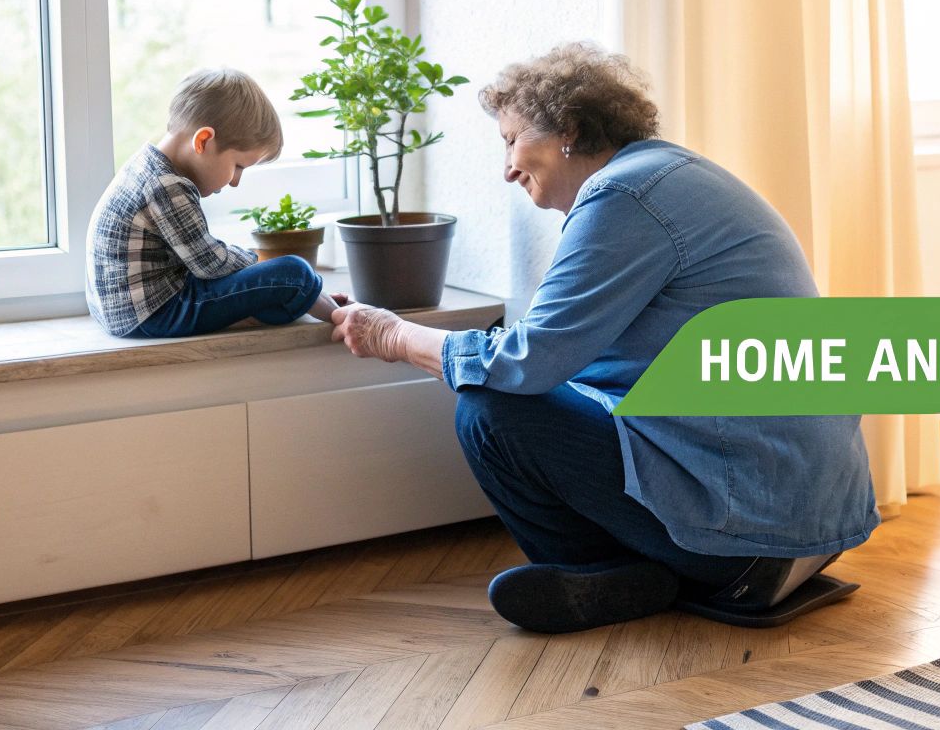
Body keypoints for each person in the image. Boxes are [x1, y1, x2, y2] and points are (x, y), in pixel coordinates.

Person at [328, 42, 879, 634]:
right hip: (813, 528)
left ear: (567, 128)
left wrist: (391, 333)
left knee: (490, 408)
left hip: (750, 539)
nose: (507, 167)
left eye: (511, 139)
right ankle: (642, 572)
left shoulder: (624, 197)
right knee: (540, 389)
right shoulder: (671, 178)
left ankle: (615, 572)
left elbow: (526, 364)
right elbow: (567, 353)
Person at [86, 68, 345, 338]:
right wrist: (260, 262)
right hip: (155, 312)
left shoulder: (146, 166)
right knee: (294, 271)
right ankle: (341, 314)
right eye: (238, 166)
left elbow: (203, 259)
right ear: (204, 141)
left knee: (276, 282)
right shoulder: (168, 185)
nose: (235, 181)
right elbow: (210, 264)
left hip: (129, 311)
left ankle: (309, 298)